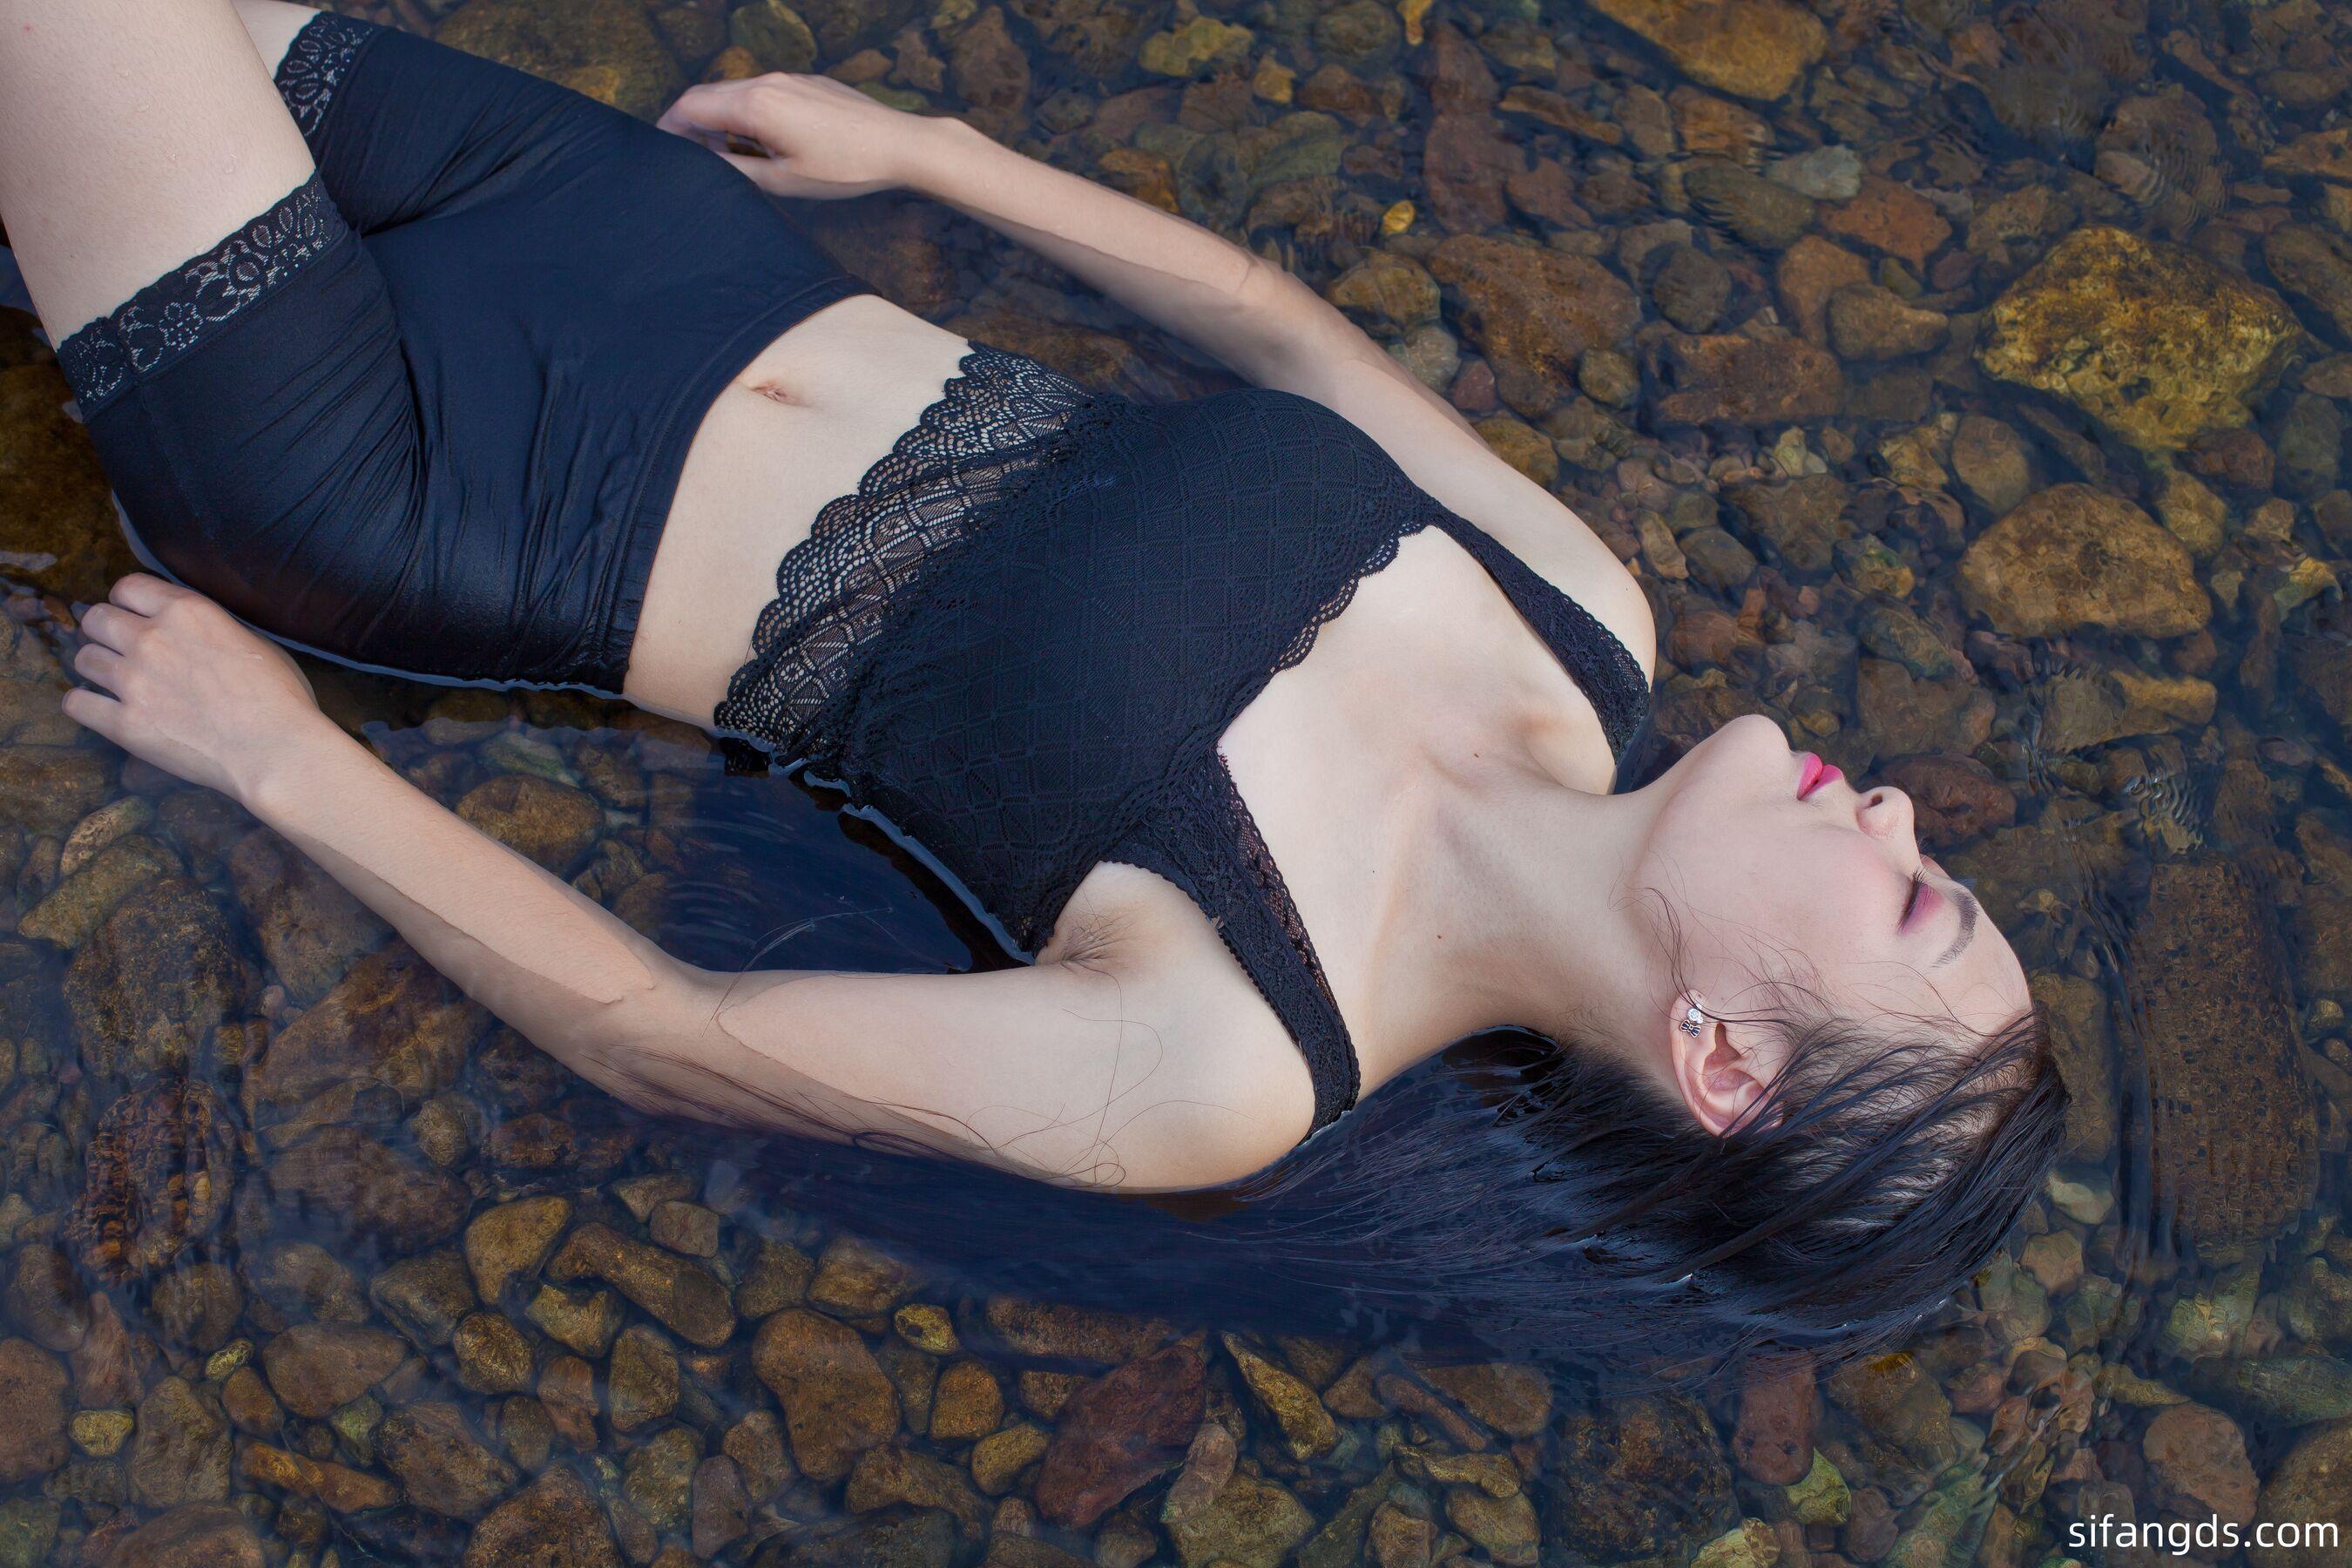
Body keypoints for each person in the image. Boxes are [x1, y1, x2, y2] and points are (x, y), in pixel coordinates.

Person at [2, 0, 2065, 1360]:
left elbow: (669, 1034)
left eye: (1913, 904)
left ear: (1726, 1064)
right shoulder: (1578, 608)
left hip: (407, 481)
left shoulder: (1236, 1054)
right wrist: (932, 153)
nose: (1897, 814)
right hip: (622, 227)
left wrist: (278, 759)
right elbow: (1285, 331)